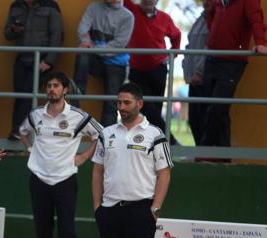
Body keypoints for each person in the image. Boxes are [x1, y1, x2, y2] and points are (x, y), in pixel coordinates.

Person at [92, 82, 172, 238]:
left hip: (141, 210)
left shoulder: (155, 134)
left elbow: (165, 173)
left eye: (127, 103)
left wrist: (155, 208)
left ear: (140, 103)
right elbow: (97, 171)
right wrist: (98, 206)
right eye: (119, 103)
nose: (122, 107)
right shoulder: (107, 133)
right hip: (110, 211)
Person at [19, 71, 103, 238]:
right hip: (38, 179)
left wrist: (84, 157)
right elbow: (22, 131)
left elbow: (101, 135)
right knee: (43, 231)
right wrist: (29, 149)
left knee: (67, 232)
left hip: (65, 179)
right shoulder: (36, 115)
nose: (51, 89)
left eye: (56, 85)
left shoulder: (77, 115)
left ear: (65, 90)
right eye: (48, 85)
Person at [201, 0, 267, 149]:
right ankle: (223, 155)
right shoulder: (218, 2)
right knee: (217, 108)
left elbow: (256, 21)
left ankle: (204, 149)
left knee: (217, 107)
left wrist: (261, 43)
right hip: (212, 59)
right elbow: (210, 14)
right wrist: (213, 33)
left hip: (232, 62)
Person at [124, 0, 181, 145]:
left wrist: (173, 53)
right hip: (137, 70)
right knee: (146, 106)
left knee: (155, 108)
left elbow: (176, 35)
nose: (148, 0)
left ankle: (154, 143)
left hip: (158, 70)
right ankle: (170, 140)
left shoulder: (165, 18)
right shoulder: (132, 10)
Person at [4, 0, 63, 140]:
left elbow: (57, 35)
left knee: (28, 94)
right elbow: (7, 34)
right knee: (19, 96)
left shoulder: (50, 6)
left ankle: (17, 130)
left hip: (41, 59)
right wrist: (14, 30)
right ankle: (17, 133)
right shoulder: (16, 6)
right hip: (21, 58)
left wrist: (49, 61)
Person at [73, 0, 134, 127]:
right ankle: (77, 93)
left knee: (111, 103)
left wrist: (93, 48)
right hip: (96, 59)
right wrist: (86, 42)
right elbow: (82, 30)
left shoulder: (127, 16)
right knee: (82, 51)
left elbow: (119, 44)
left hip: (117, 63)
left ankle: (105, 139)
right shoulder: (93, 7)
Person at [182, 0, 211, 146]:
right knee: (194, 119)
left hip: (204, 79)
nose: (207, 2)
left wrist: (199, 72)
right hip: (193, 79)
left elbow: (210, 47)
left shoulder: (215, 19)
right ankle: (199, 151)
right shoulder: (200, 19)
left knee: (203, 119)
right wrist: (186, 70)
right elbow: (189, 46)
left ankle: (204, 153)